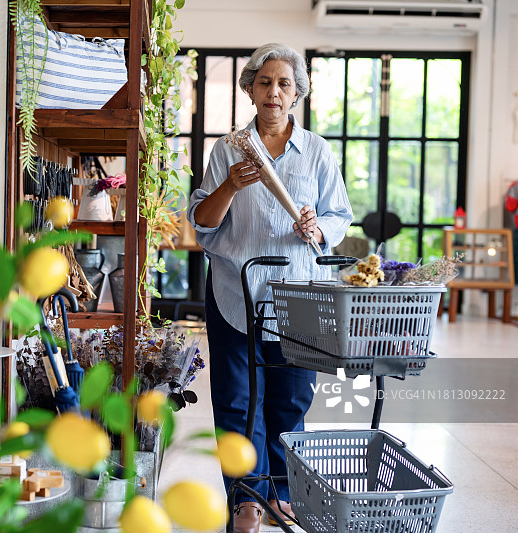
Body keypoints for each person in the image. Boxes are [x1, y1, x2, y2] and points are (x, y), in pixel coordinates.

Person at [187, 43, 353, 533]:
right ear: (251, 90)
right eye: (264, 82)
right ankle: (245, 500)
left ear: (296, 93)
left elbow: (339, 216)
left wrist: (317, 227)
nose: (274, 92)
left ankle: (280, 492)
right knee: (238, 402)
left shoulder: (317, 151)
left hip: (300, 297)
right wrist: (231, 187)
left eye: (284, 84)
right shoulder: (228, 150)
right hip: (236, 293)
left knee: (291, 398)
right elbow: (203, 224)